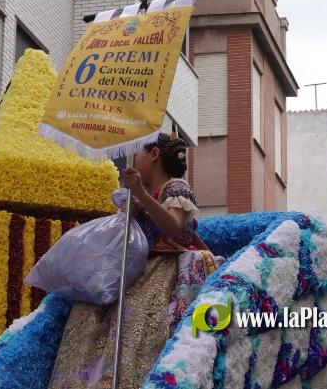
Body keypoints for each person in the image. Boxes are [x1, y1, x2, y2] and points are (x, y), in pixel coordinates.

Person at [47, 132, 218, 389]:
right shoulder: (145, 195)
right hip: (139, 268)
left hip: (164, 269)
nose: (134, 158)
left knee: (135, 321)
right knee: (90, 311)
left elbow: (173, 228)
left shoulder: (176, 188)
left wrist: (141, 194)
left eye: (138, 151)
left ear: (154, 154)